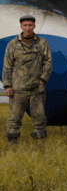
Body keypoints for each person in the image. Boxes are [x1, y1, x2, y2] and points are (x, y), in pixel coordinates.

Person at [3, 15, 52, 147]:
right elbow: (7, 66)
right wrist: (7, 85)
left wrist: (43, 80)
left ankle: (40, 141)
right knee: (14, 117)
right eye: (25, 25)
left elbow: (48, 62)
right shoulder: (12, 44)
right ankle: (11, 142)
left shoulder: (42, 43)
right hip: (18, 88)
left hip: (37, 87)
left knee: (40, 116)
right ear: (21, 26)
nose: (28, 28)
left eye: (30, 25)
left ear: (34, 26)